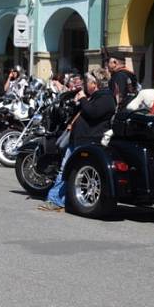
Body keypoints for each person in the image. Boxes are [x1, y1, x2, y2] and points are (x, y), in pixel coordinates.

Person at [39, 68, 115, 211]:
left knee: (67, 170)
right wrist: (78, 101)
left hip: (89, 140)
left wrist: (83, 99)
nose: (85, 84)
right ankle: (58, 199)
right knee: (65, 169)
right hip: (80, 138)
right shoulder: (95, 96)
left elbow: (92, 113)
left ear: (94, 83)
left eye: (87, 81)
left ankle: (55, 200)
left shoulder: (106, 98)